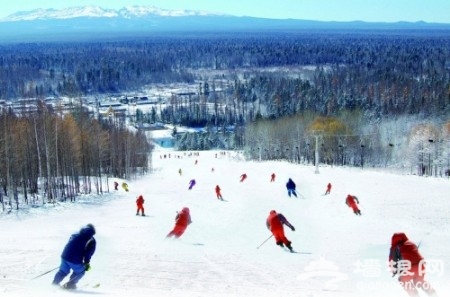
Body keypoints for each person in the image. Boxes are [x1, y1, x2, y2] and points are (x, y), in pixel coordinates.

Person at [389, 232, 438, 297]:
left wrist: (394, 270)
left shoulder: (395, 247)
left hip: (411, 267)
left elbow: (392, 261)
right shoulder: (411, 243)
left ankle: (414, 295)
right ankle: (433, 294)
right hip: (421, 266)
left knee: (403, 279)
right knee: (418, 281)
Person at [52, 224, 96, 290]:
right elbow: (88, 253)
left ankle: (54, 284)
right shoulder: (91, 240)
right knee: (80, 272)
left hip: (65, 256)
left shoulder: (75, 233)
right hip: (75, 260)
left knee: (63, 271)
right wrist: (87, 263)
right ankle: (70, 285)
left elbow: (70, 244)